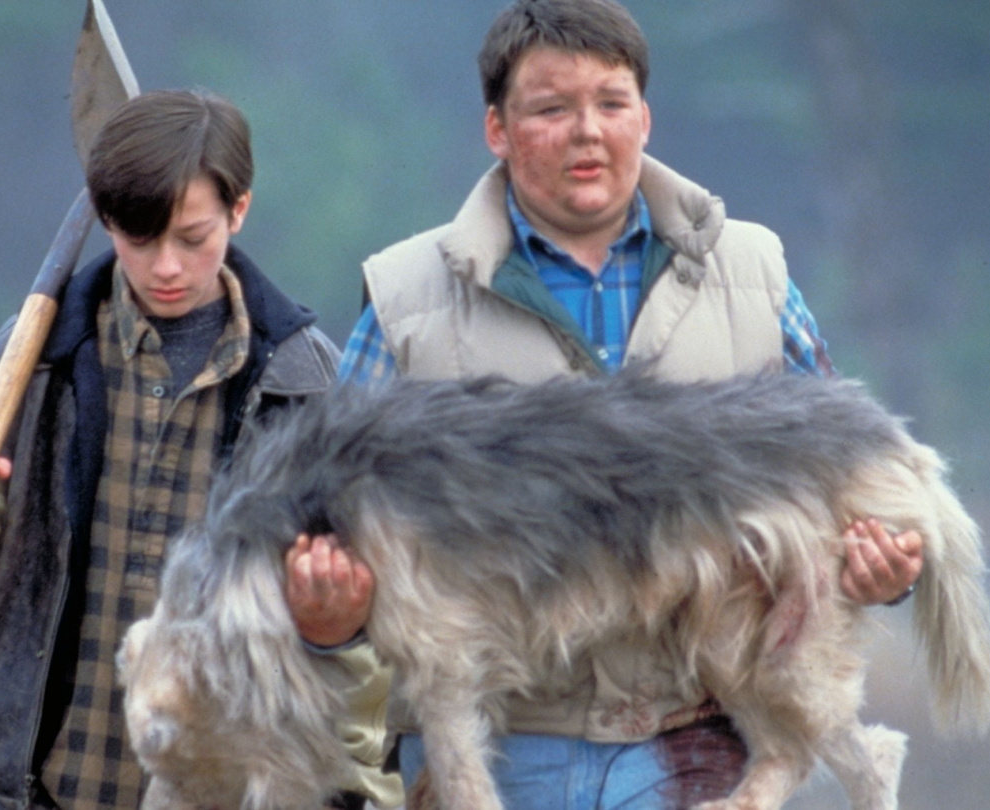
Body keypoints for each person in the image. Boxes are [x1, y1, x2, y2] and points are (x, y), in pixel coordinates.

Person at [281, 1, 924, 807]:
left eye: (611, 103)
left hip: (695, 744)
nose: (588, 131)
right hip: (489, 756)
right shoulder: (407, 302)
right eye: (551, 109)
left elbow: (844, 479)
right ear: (497, 129)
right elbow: (329, 531)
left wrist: (886, 568)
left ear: (645, 118)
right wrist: (327, 617)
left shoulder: (752, 275)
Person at [0, 89, 398, 810]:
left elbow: (374, 657)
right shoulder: (21, 369)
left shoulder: (314, 393)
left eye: (192, 237)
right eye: (139, 240)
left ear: (239, 210)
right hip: (38, 794)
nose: (165, 266)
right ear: (108, 221)